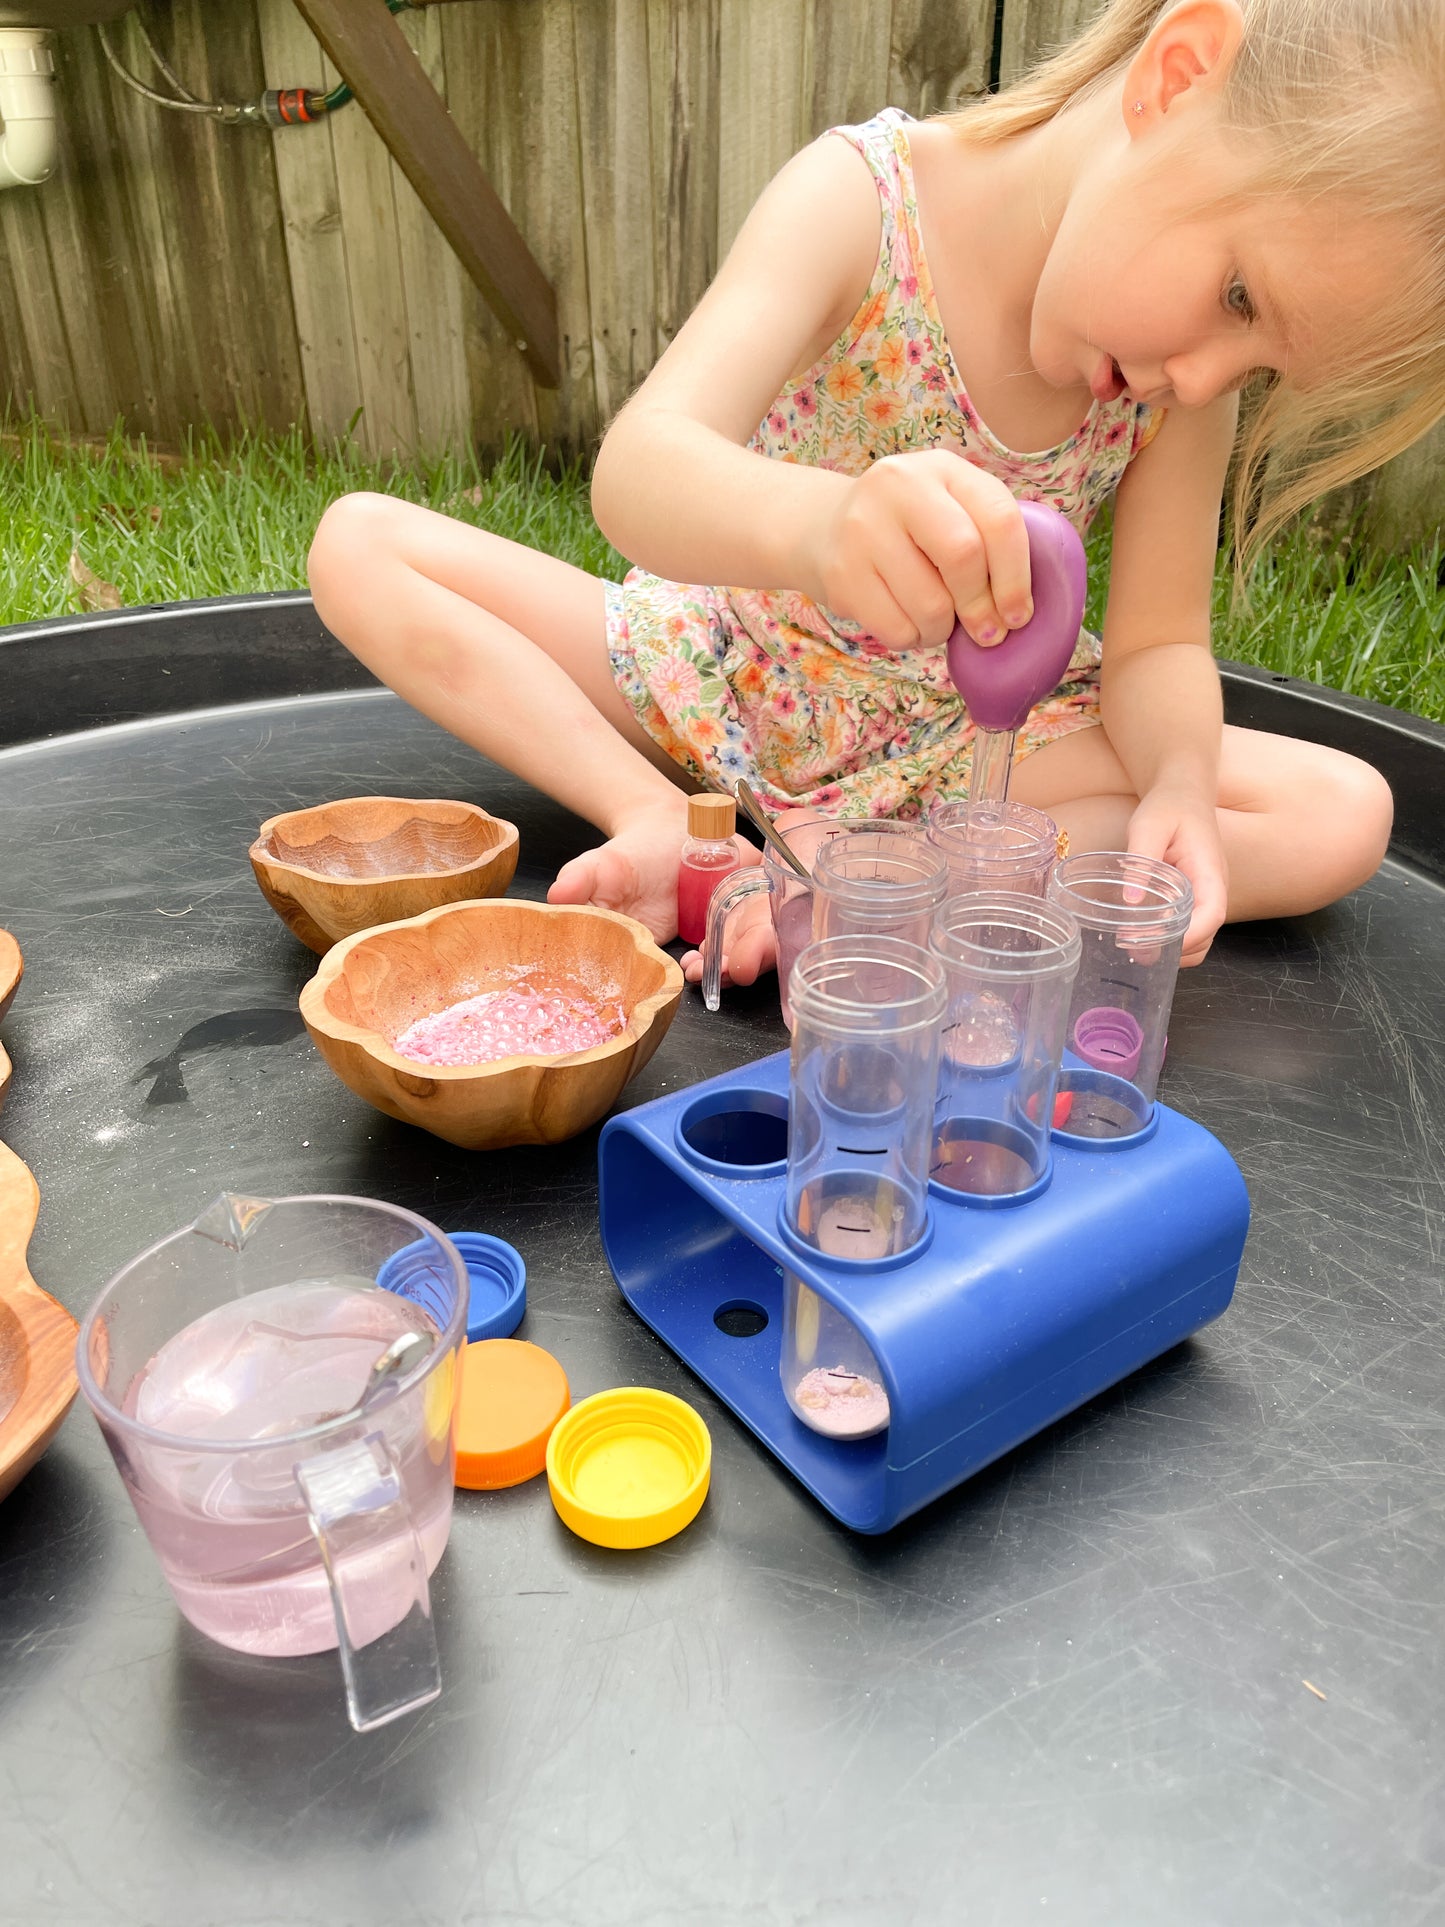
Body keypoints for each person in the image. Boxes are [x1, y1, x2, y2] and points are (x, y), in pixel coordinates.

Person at [307, 0, 1431, 989]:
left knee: (1342, 815)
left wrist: (1178, 789)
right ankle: (666, 824)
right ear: (1172, 77)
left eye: (1258, 362)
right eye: (1237, 296)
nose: (1204, 375)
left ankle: (875, 894)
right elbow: (639, 468)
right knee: (360, 546)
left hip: (966, 750)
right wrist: (818, 525)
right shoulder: (865, 200)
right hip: (729, 669)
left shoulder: (1176, 382)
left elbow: (1155, 648)